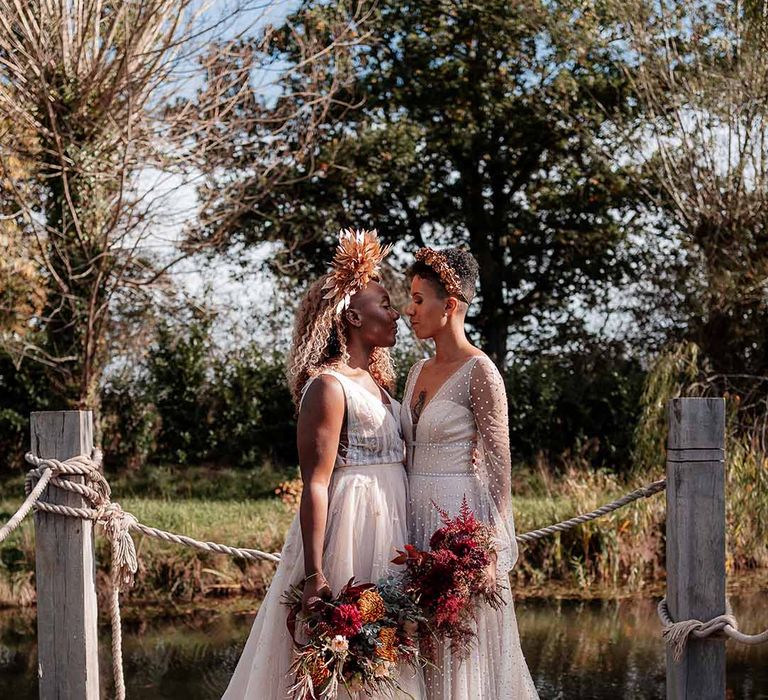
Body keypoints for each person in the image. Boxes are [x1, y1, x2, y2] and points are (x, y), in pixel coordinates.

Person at [223, 230, 424, 699]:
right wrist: (315, 572)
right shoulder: (328, 387)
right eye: (385, 303)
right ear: (353, 316)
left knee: (384, 655)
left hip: (391, 526)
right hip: (349, 530)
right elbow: (314, 483)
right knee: (339, 656)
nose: (396, 313)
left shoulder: (379, 386)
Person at [401, 246, 538, 700]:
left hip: (457, 518)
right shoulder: (416, 369)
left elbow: (499, 466)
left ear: (451, 305)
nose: (409, 309)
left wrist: (493, 547)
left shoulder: (481, 372)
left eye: (419, 299)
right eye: (410, 298)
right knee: (416, 643)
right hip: (411, 520)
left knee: (457, 648)